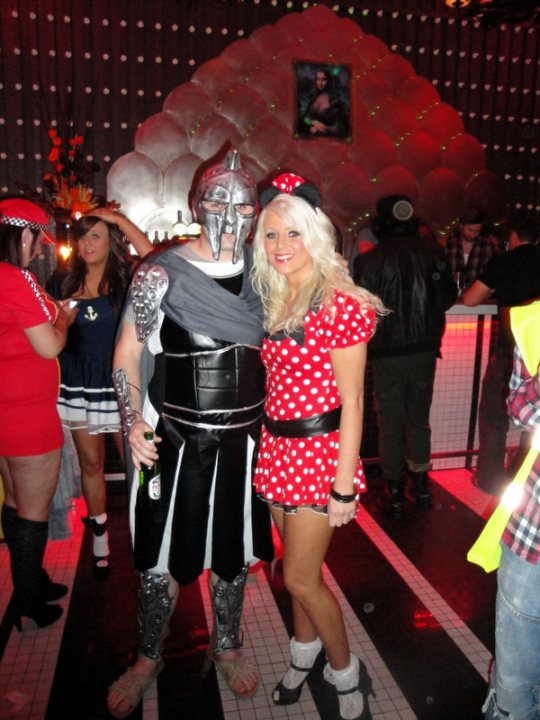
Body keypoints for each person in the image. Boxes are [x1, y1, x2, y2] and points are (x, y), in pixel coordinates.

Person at [107, 149, 273, 718]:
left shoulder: (267, 272)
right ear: (196, 205)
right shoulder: (159, 273)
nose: (231, 214)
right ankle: (147, 656)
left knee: (233, 554)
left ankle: (227, 647)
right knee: (158, 557)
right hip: (171, 438)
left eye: (244, 203)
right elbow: (128, 352)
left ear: (256, 212)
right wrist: (131, 425)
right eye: (219, 200)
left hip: (243, 443)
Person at [251, 174, 384, 720]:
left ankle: (346, 672)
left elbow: (353, 402)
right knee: (294, 571)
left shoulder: (339, 303)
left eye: (293, 234)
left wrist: (344, 485)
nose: (281, 246)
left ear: (316, 236)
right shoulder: (276, 297)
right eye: (271, 235)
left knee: (300, 577)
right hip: (277, 450)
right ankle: (303, 656)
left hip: (319, 454)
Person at [47, 209, 152, 573]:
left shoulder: (129, 278)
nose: (87, 243)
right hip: (77, 382)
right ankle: (100, 537)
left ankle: (147, 534)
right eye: (82, 236)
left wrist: (118, 219)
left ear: (111, 240)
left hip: (122, 383)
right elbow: (48, 336)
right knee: (91, 463)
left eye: (96, 235)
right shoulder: (61, 280)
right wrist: (61, 319)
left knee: (136, 463)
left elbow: (152, 254)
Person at [0, 198, 78, 628]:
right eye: (36, 238)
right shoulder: (15, 277)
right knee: (33, 510)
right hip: (28, 414)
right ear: (23, 234)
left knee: (14, 502)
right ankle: (28, 599)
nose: (37, 248)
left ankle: (31, 579)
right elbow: (49, 345)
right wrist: (63, 319)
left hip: (4, 411)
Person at [353, 205, 457, 519]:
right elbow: (449, 297)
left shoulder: (370, 260)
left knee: (390, 424)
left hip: (386, 352)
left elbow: (359, 305)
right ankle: (422, 488)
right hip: (425, 349)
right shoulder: (433, 253)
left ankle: (394, 492)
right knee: (418, 419)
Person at [482, 338, 540, 720]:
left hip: (531, 537)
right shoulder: (532, 320)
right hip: (532, 532)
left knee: (515, 678)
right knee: (515, 680)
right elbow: (520, 409)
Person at [462, 213, 540, 495]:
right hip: (539, 357)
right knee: (535, 423)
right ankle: (525, 478)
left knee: (494, 416)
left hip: (510, 352)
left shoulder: (504, 261)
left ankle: (491, 480)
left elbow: (470, 299)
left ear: (513, 237)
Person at [444, 206, 499, 291]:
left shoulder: (488, 246)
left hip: (481, 300)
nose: (473, 234)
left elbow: (496, 275)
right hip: (453, 298)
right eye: (470, 230)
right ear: (461, 226)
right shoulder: (450, 246)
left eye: (477, 231)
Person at [297, 67, 349, 139]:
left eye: (324, 79)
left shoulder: (336, 103)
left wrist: (325, 129)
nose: (320, 83)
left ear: (329, 81)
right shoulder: (313, 100)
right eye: (317, 79)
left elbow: (341, 128)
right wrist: (313, 123)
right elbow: (305, 117)